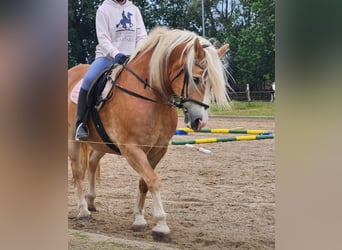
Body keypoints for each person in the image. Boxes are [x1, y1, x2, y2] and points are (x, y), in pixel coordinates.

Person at [75, 0, 147, 140]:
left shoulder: (134, 9)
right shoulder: (103, 10)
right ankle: (81, 123)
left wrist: (137, 52)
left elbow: (142, 36)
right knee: (89, 80)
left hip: (132, 58)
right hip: (107, 57)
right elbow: (103, 38)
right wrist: (116, 53)